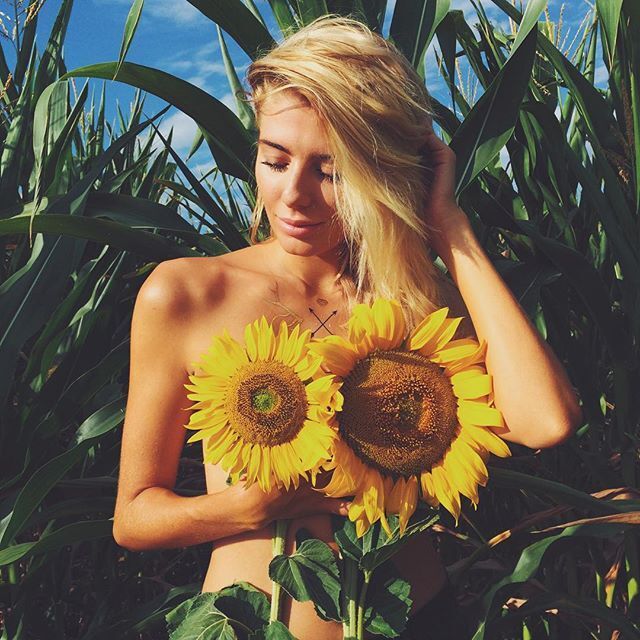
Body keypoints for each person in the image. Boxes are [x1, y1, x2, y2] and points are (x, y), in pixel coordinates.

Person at [112, 15, 582, 639]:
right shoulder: (188, 294)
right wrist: (252, 506)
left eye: (331, 173)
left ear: (383, 173)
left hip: (419, 622)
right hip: (256, 628)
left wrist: (448, 225)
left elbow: (545, 421)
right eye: (275, 161)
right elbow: (135, 516)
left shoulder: (415, 301)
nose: (293, 196)